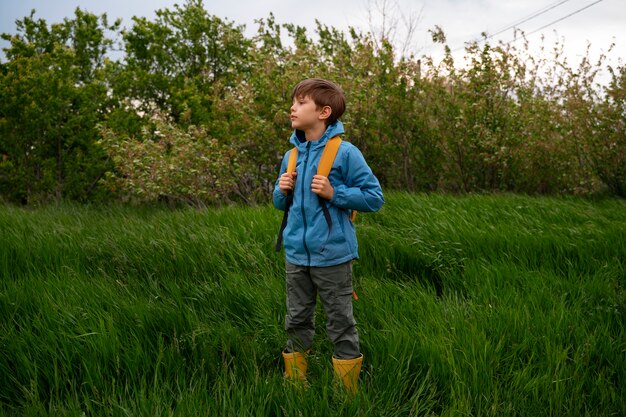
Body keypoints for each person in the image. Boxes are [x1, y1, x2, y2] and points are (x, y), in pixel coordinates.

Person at [273, 78, 384, 393]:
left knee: (341, 324)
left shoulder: (346, 153)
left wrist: (335, 192)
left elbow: (374, 198)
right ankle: (296, 385)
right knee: (296, 320)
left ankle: (346, 394)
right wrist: (281, 191)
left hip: (333, 257)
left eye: (300, 102)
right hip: (296, 255)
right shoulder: (291, 155)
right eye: (293, 102)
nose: (292, 108)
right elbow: (279, 203)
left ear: (324, 112)